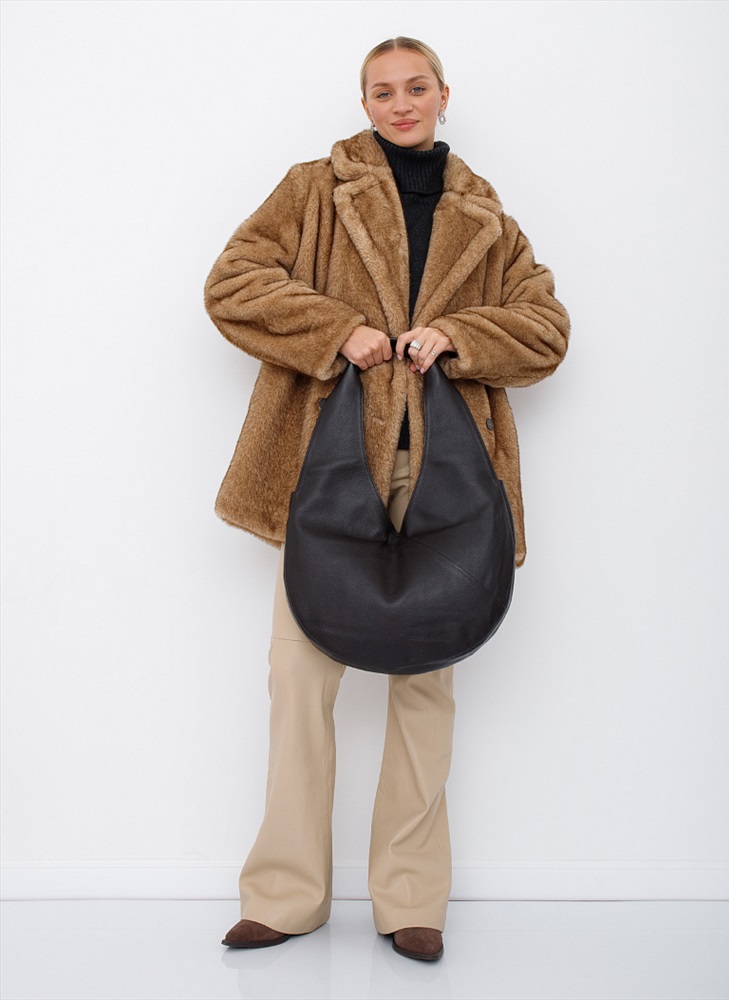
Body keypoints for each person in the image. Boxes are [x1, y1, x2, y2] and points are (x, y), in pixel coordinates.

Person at [204, 36, 569, 962]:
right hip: (328, 466)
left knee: (426, 681)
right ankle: (286, 896)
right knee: (299, 677)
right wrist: (338, 330)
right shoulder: (314, 189)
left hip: (448, 475)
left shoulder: (485, 214)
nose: (400, 104)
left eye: (415, 88)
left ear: (443, 94)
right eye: (382, 91)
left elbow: (546, 329)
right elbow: (233, 283)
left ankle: (411, 897)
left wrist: (458, 333)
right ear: (363, 102)